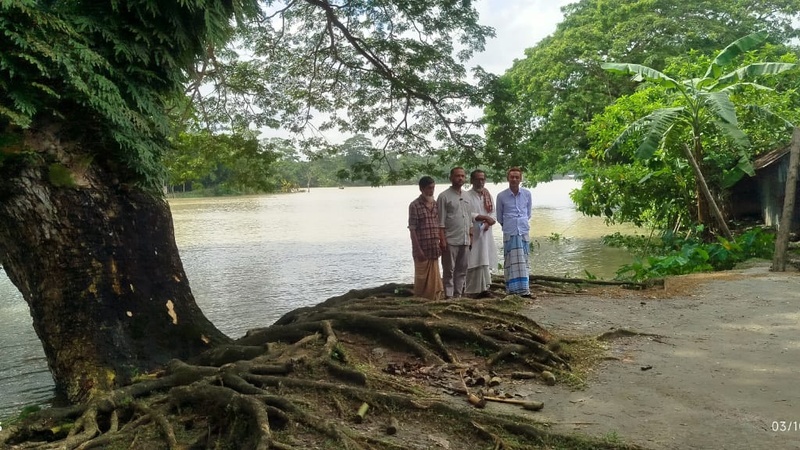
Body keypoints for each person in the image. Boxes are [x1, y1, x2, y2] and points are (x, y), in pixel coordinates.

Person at [437, 167, 494, 298]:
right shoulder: (444, 196)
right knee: (449, 270)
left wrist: (470, 235)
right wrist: (442, 239)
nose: (460, 178)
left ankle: (458, 295)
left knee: (462, 270)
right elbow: (440, 222)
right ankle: (449, 296)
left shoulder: (466, 196)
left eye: (462, 176)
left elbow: (468, 218)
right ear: (451, 178)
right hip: (450, 239)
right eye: (457, 176)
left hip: (465, 239)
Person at [496, 167, 533, 297]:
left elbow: (528, 213)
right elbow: (499, 217)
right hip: (509, 232)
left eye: (517, 177)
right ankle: (511, 290)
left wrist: (520, 222)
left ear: (521, 179)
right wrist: (510, 224)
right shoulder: (501, 196)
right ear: (508, 178)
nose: (514, 179)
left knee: (524, 260)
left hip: (523, 231)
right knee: (510, 261)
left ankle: (524, 289)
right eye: (512, 177)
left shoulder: (527, 194)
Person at [408, 176, 446, 300]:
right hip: (422, 248)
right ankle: (421, 300)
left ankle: (435, 299)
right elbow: (412, 229)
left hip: (434, 246)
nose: (431, 191)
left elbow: (440, 225)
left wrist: (442, 241)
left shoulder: (436, 205)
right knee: (421, 279)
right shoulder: (414, 205)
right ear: (421, 189)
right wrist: (418, 250)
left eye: (433, 188)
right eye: (429, 188)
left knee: (435, 278)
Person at [464, 169, 498, 297]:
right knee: (472, 260)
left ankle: (484, 289)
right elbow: (467, 213)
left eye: (483, 179)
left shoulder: (487, 195)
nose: (480, 182)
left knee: (485, 259)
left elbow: (493, 213)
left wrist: (489, 222)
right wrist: (481, 217)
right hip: (473, 233)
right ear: (472, 180)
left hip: (486, 232)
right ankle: (471, 291)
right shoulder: (466, 196)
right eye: (478, 179)